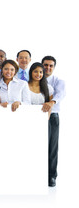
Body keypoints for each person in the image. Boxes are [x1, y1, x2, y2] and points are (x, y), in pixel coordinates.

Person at [42, 56, 66, 187]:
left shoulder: (58, 81)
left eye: (51, 66)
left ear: (54, 67)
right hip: (36, 115)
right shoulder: (36, 78)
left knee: (52, 146)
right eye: (45, 65)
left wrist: (51, 102)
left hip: (52, 117)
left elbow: (60, 94)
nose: (48, 68)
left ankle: (51, 176)